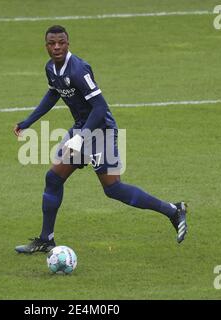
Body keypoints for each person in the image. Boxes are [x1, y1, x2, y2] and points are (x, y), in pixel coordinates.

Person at [14, 25, 188, 253]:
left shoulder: (78, 70)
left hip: (101, 131)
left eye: (61, 43)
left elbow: (100, 107)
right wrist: (27, 122)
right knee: (53, 178)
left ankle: (173, 211)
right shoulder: (51, 68)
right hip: (82, 129)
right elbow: (53, 93)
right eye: (51, 43)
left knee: (113, 189)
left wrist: (80, 138)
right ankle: (47, 240)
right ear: (46, 45)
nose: (56, 47)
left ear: (68, 44)